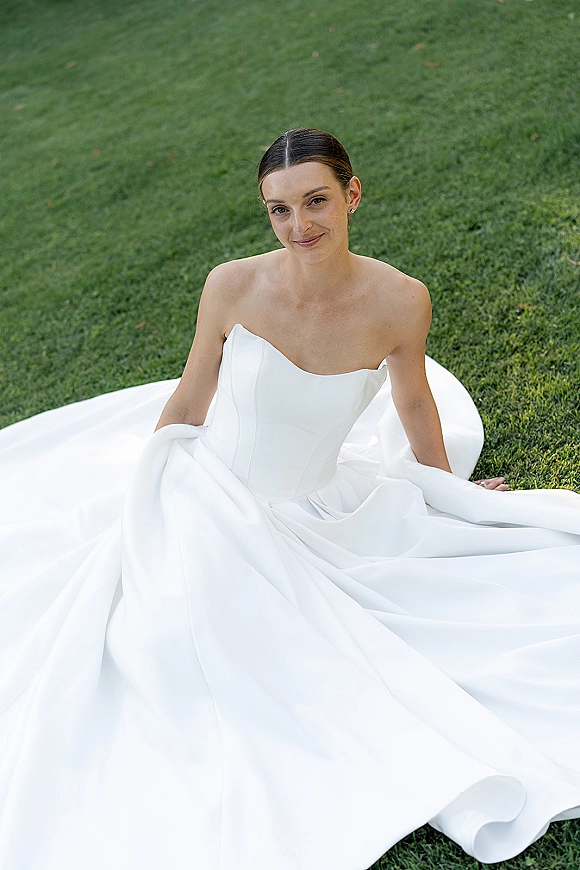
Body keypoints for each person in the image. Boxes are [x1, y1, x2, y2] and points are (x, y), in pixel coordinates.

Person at [0, 128, 578, 870]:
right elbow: (191, 394)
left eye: (315, 202)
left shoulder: (401, 300)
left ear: (352, 195)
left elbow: (412, 402)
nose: (299, 226)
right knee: (174, 639)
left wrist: (443, 486)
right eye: (279, 210)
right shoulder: (231, 285)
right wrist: (148, 484)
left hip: (317, 503)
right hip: (205, 492)